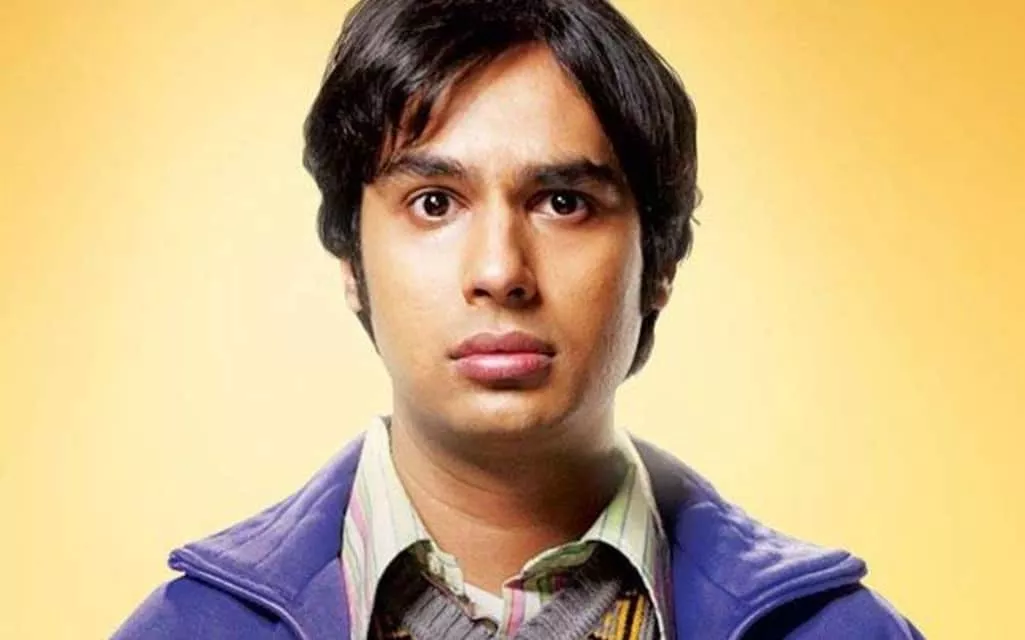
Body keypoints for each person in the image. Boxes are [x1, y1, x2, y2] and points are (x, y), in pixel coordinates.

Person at [115, 0, 923, 637]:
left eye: (563, 202)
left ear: (660, 263)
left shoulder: (839, 632)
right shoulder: (188, 630)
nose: (500, 271)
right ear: (350, 261)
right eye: (434, 203)